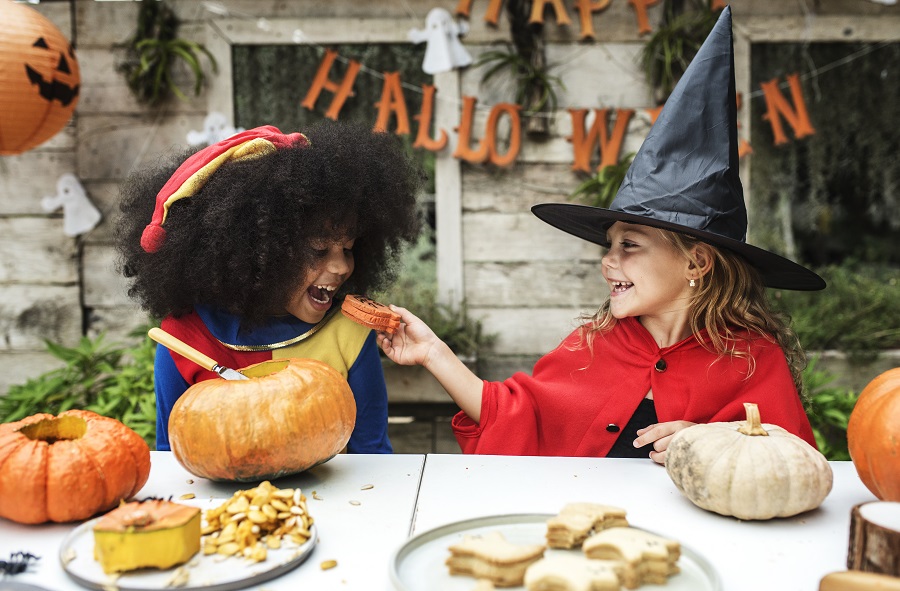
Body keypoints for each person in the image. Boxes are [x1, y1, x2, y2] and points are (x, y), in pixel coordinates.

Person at [377, 6, 823, 464]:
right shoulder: (594, 343)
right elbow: (515, 413)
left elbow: (790, 465)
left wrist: (710, 443)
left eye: (629, 245)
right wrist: (433, 351)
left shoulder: (754, 359)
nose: (608, 260)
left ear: (696, 263)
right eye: (609, 245)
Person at [115, 120, 423, 453]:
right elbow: (172, 458)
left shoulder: (349, 334)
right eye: (319, 249)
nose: (341, 266)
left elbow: (375, 457)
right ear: (256, 254)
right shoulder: (183, 338)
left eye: (347, 249)